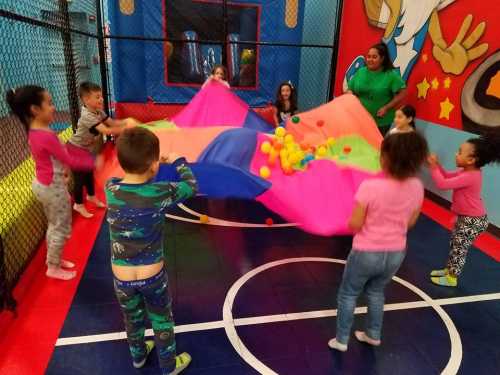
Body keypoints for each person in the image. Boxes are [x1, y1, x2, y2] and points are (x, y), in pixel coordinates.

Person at [105, 127, 198, 374]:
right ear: (154, 166)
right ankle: (168, 367)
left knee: (132, 318)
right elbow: (191, 185)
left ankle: (138, 356)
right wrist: (178, 161)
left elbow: (124, 178)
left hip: (121, 277)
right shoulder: (161, 191)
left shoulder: (111, 189)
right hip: (152, 275)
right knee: (161, 319)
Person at [328, 132, 428, 351]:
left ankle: (342, 340)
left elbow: (355, 223)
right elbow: (410, 222)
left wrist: (341, 219)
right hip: (395, 252)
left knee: (348, 293)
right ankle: (373, 334)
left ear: (386, 158)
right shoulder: (417, 187)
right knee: (376, 292)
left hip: (366, 251)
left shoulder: (370, 187)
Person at [6, 85, 94, 280]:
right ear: (35, 110)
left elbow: (50, 158)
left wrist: (62, 171)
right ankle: (53, 267)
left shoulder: (36, 131)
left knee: (54, 225)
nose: (53, 107)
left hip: (45, 183)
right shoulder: (46, 135)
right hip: (51, 188)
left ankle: (53, 260)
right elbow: (69, 159)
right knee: (61, 227)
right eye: (49, 103)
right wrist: (93, 162)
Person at [427, 132, 500, 287]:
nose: (456, 154)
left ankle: (452, 278)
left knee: (459, 248)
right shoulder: (466, 171)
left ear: (471, 160)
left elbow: (442, 184)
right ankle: (449, 270)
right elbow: (446, 177)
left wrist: (433, 168)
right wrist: (438, 165)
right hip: (467, 217)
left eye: (460, 152)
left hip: (472, 220)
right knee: (455, 244)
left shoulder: (471, 176)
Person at [68, 82, 139, 218]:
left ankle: (91, 196)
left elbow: (112, 123)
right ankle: (78, 204)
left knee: (89, 174)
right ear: (86, 100)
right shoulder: (87, 116)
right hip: (75, 149)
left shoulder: (98, 112)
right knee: (80, 178)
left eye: (101, 96)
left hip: (85, 149)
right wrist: (126, 127)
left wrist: (126, 121)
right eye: (97, 97)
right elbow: (106, 130)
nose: (101, 99)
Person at [347, 42, 407, 135]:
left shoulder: (391, 75)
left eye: (374, 57)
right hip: (359, 118)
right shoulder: (361, 72)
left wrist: (386, 108)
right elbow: (350, 89)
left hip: (380, 122)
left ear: (382, 59)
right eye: (369, 56)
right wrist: (350, 95)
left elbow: (402, 93)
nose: (370, 60)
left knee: (374, 148)